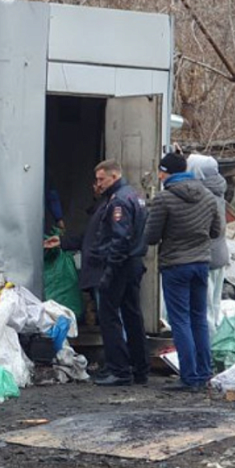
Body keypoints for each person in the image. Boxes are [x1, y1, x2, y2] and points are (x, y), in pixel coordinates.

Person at [46, 160, 149, 386]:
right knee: (132, 316)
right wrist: (64, 242)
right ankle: (138, 368)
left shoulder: (118, 202)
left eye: (102, 179)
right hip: (131, 264)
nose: (98, 184)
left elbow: (118, 240)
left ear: (114, 176)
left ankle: (120, 370)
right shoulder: (132, 196)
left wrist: (109, 271)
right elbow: (96, 236)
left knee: (109, 318)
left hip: (118, 266)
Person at [145, 152, 222, 391]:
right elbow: (216, 231)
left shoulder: (164, 199)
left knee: (180, 321)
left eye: (161, 171)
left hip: (176, 266)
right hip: (201, 264)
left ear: (166, 172)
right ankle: (204, 373)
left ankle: (188, 377)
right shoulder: (208, 197)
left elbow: (151, 237)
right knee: (199, 318)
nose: (159, 175)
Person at [186, 154, 229, 336]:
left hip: (206, 257)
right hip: (219, 255)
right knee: (214, 305)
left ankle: (207, 347)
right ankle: (213, 344)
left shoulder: (201, 194)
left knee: (203, 309)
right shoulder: (218, 188)